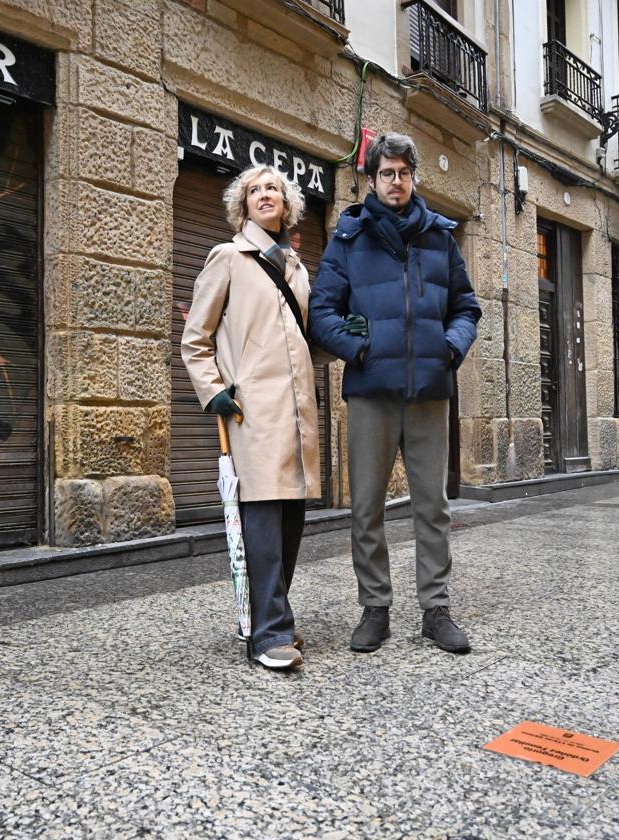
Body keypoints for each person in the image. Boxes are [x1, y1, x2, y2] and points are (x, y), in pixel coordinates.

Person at [309, 131, 482, 655]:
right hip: (371, 392)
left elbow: (466, 307)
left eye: (404, 173)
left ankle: (436, 609)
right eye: (387, 173)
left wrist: (448, 348)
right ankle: (375, 609)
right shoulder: (349, 238)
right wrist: (361, 350)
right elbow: (321, 311)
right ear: (372, 178)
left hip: (430, 390)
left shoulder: (439, 237)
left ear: (413, 177)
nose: (396, 182)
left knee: (433, 505)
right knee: (366, 507)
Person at [181, 165, 322, 670]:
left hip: (299, 414)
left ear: (287, 205)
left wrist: (342, 334)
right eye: (255, 190)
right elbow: (195, 339)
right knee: (261, 525)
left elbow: (303, 342)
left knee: (290, 524)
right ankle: (266, 636)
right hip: (252, 413)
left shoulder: (298, 270)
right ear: (243, 206)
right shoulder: (227, 258)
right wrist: (213, 392)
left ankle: (273, 616)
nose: (265, 195)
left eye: (274, 189)